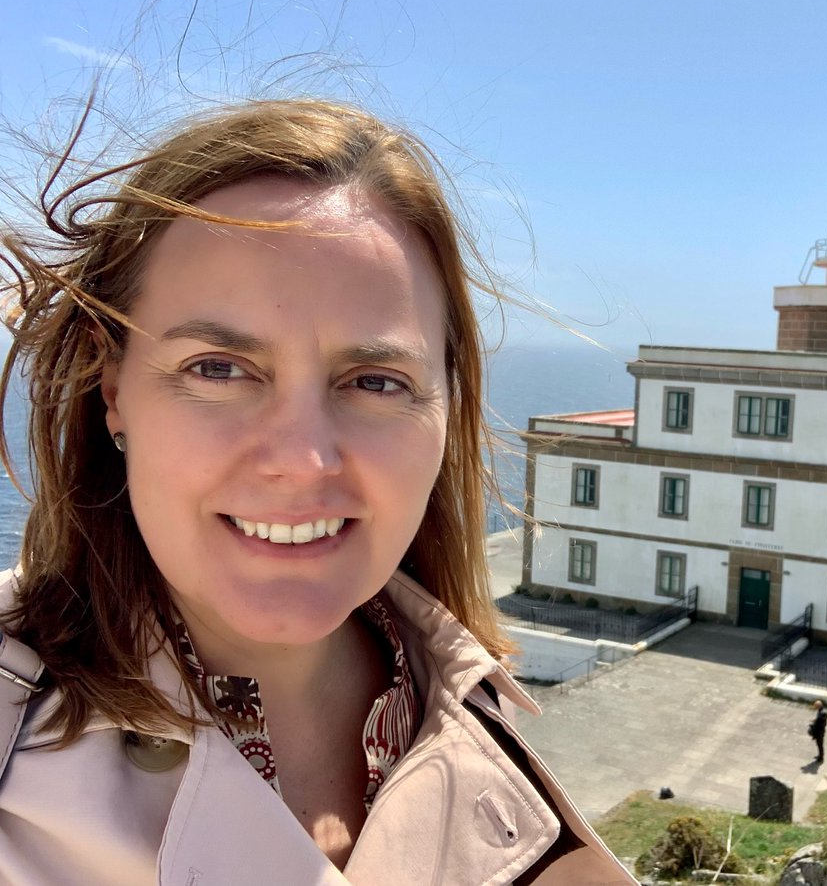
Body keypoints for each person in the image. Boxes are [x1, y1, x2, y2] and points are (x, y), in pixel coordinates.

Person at [0, 99, 633, 884]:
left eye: (375, 381)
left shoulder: (476, 721)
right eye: (218, 369)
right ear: (112, 387)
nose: (302, 461)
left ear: (446, 406)